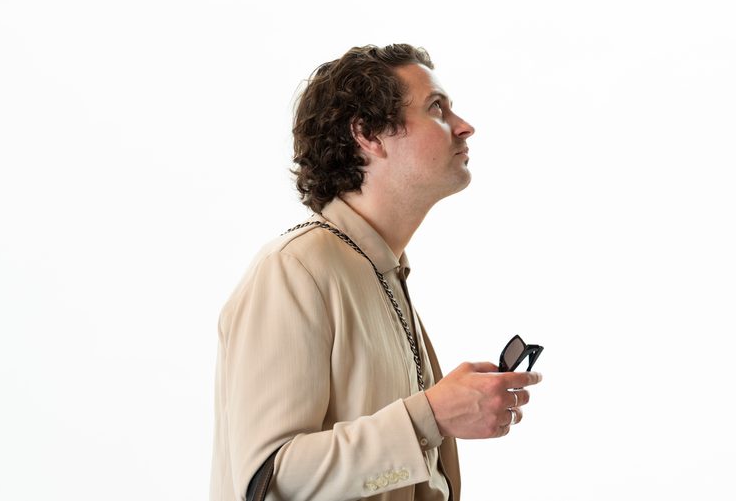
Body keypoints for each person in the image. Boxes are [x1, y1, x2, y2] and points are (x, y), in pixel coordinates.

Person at [210, 44, 543, 501]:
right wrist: (432, 416)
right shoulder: (295, 269)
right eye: (436, 108)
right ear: (369, 135)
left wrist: (442, 413)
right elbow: (269, 479)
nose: (464, 126)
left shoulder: (380, 270)